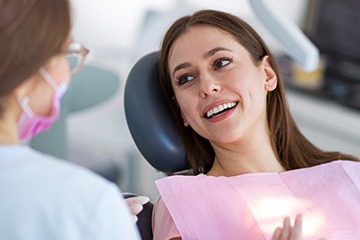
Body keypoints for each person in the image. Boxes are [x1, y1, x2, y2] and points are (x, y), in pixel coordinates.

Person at [152, 9, 360, 240]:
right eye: (186, 78)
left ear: (268, 75)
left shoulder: (350, 176)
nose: (207, 86)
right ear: (181, 110)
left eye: (221, 63)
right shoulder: (183, 203)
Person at [0, 0, 148, 239]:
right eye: (65, 53)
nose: (67, 73)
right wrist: (98, 219)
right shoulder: (86, 202)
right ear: (22, 75)